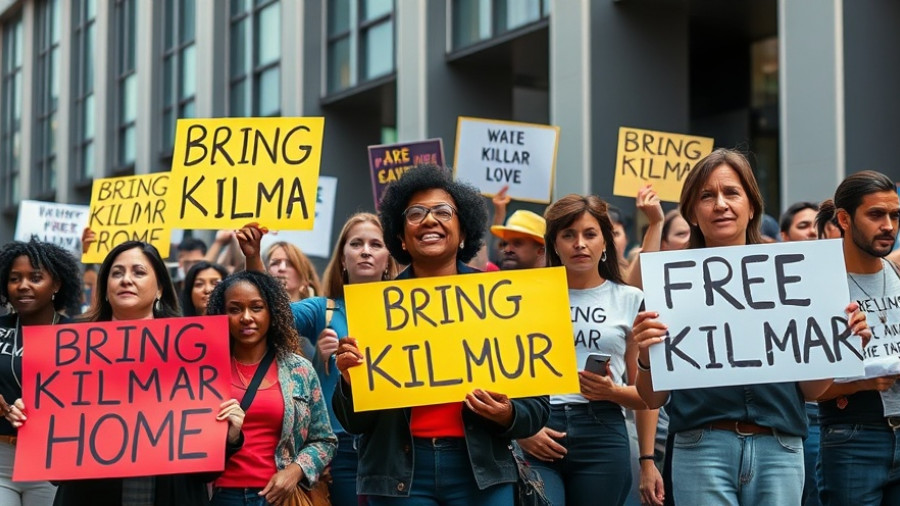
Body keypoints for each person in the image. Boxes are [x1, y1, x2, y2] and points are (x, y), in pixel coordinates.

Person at [632, 148, 869, 505]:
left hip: (780, 448)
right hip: (701, 449)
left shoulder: (797, 276)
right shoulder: (669, 286)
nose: (720, 204)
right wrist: (648, 356)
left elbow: (812, 391)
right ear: (693, 213)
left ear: (752, 205)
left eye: (731, 192)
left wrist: (838, 343)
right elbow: (652, 398)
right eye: (707, 196)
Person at [332, 164, 550, 504]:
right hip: (399, 477)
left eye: (443, 212)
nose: (429, 220)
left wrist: (507, 413)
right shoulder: (373, 308)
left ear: (463, 232)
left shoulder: (501, 299)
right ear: (401, 237)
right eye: (416, 213)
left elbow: (536, 409)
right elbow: (354, 423)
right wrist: (349, 383)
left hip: (482, 475)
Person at [5, 241, 245, 506]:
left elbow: (207, 471)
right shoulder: (70, 350)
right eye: (117, 273)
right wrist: (35, 422)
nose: (126, 280)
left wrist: (229, 436)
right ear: (105, 289)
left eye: (138, 272)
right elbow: (56, 474)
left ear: (160, 289)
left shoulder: (193, 350)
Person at [239, 212, 399, 506]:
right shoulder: (322, 310)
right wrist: (254, 259)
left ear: (389, 259)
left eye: (376, 244)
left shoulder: (408, 309)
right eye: (356, 243)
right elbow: (273, 316)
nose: (365, 250)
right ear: (342, 259)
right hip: (342, 450)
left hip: (395, 445)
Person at [516, 194, 653, 506]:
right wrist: (521, 431)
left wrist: (611, 392)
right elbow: (502, 375)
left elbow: (648, 394)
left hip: (603, 434)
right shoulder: (524, 297)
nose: (579, 243)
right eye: (568, 235)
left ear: (605, 242)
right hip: (538, 426)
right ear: (554, 244)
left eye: (590, 234)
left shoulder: (630, 299)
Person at [206, 270, 336, 506]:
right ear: (221, 314)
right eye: (235, 309)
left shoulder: (300, 371)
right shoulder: (205, 371)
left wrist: (295, 471)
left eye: (256, 307)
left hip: (281, 497)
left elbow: (325, 441)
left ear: (272, 312)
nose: (246, 317)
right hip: (221, 496)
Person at [816, 171, 900, 506]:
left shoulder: (895, 273)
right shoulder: (819, 287)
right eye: (876, 215)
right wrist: (861, 382)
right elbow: (805, 389)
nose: (889, 226)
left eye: (895, 216)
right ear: (844, 219)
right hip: (852, 435)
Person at [0, 240, 81, 506]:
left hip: (53, 464)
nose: (23, 285)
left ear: (56, 285)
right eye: (14, 278)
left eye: (35, 278)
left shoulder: (80, 336)